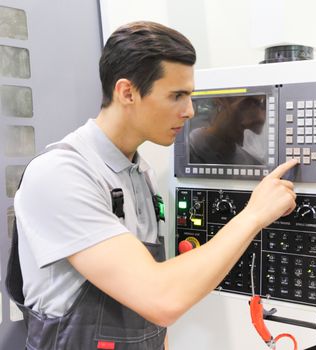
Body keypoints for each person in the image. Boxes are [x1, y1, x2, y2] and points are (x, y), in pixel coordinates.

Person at [6, 21, 297, 349]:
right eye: (177, 96)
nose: (189, 111)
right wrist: (253, 215)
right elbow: (162, 298)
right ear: (127, 92)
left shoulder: (140, 174)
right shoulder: (61, 174)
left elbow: (152, 320)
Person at [189, 95, 267, 165]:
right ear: (221, 101)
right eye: (248, 103)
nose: (261, 117)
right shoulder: (190, 149)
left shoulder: (249, 161)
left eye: (263, 106)